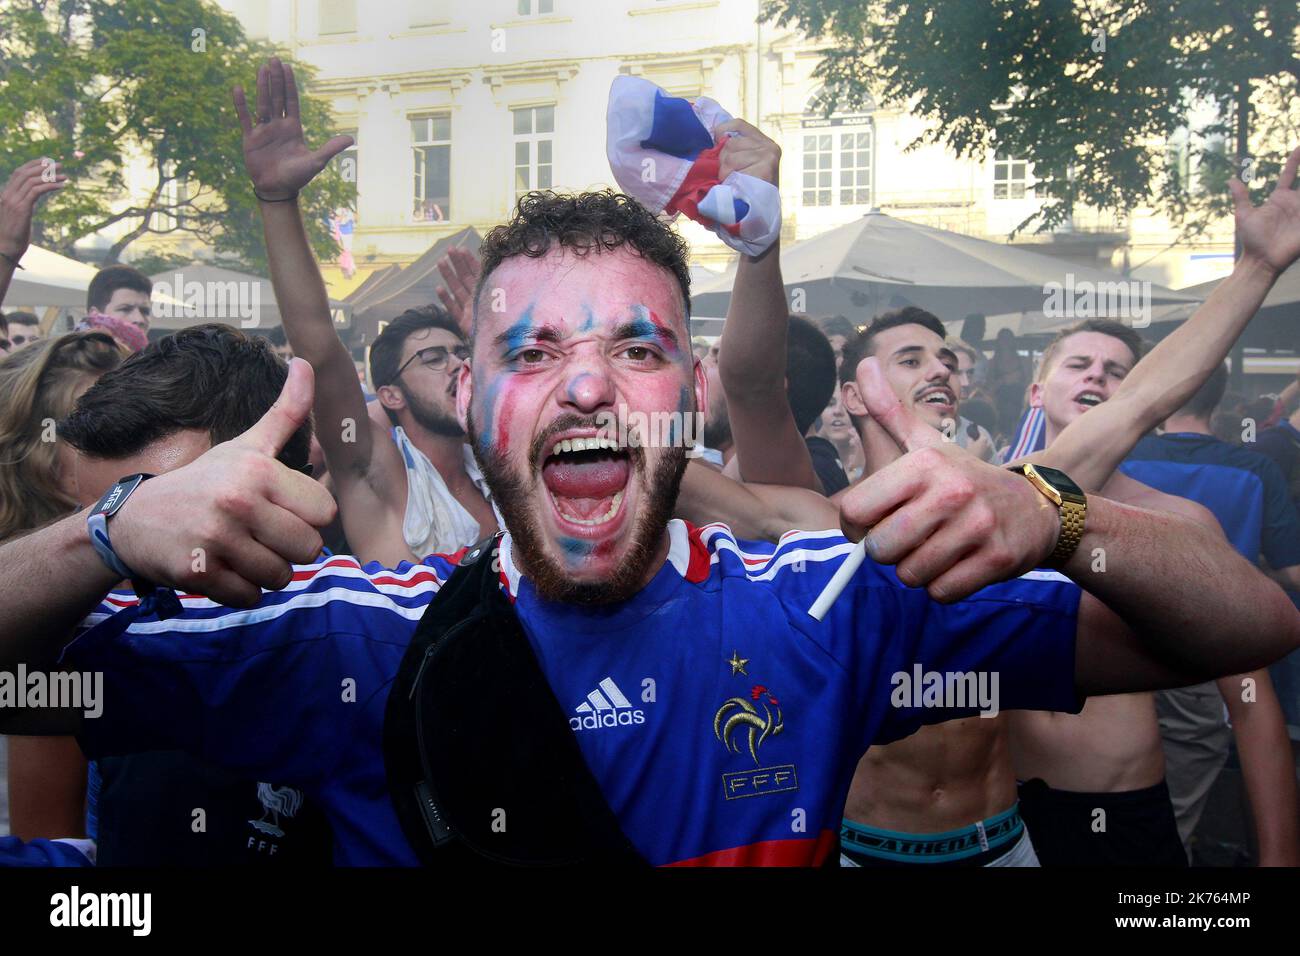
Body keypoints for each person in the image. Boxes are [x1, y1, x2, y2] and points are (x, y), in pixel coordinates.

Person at [0, 60, 1297, 868]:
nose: (581, 382)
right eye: (533, 347)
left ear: (689, 399)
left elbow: (1246, 627)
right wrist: (104, 531)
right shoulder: (355, 644)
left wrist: (1060, 513)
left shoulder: (824, 607)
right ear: (475, 398)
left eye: (634, 347)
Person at [1010, 320, 1297, 866]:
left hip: (1117, 818)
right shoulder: (988, 504)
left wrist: (1280, 859)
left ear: (1145, 402)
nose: (1097, 374)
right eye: (1078, 364)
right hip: (995, 820)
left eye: (1118, 372)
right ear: (1037, 392)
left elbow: (1252, 700)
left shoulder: (1173, 522)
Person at [47, 324, 333, 866]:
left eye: (176, 515)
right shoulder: (83, 648)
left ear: (283, 489)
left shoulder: (363, 652)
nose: (136, 569)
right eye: (111, 533)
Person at [244, 104, 497, 567]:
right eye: (432, 358)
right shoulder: (380, 474)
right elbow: (318, 347)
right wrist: (278, 201)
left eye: (462, 350)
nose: (458, 363)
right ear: (390, 395)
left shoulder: (500, 470)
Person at [1120, 363, 1300, 857]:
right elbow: (1295, 571)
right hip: (1213, 661)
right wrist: (1249, 576)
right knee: (1176, 810)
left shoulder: (1120, 457)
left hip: (1114, 651)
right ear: (1219, 406)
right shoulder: (1253, 467)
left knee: (1119, 800)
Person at [0, 331, 128, 844]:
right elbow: (56, 850)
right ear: (37, 451)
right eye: (101, 429)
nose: (132, 443)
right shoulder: (53, 615)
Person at [86, 265, 153, 338]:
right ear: (95, 316)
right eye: (125, 309)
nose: (139, 319)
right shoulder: (77, 348)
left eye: (145, 311)